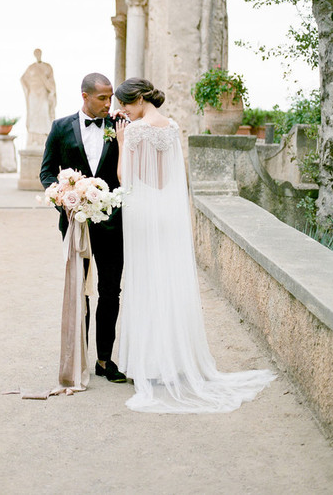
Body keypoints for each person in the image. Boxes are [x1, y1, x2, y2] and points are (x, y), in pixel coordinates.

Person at [114, 77, 276, 413]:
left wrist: (120, 142)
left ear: (140, 99)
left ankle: (148, 364)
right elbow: (165, 178)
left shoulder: (133, 130)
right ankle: (170, 361)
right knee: (167, 282)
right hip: (167, 215)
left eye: (126, 104)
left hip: (144, 215)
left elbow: (124, 176)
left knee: (145, 282)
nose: (123, 111)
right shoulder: (171, 126)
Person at [40, 73, 126, 383]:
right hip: (75, 226)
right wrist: (63, 198)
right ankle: (80, 359)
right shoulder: (60, 128)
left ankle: (105, 360)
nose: (108, 103)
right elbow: (47, 172)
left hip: (112, 225)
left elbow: (124, 172)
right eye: (102, 98)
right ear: (84, 97)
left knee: (110, 291)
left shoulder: (119, 127)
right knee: (80, 292)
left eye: (110, 97)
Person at [21, 49, 56, 149]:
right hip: (33, 94)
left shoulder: (47, 67)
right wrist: (28, 89)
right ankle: (34, 139)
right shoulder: (31, 67)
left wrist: (51, 91)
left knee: (44, 114)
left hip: (43, 94)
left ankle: (44, 138)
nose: (38, 55)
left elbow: (51, 81)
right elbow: (23, 79)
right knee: (34, 115)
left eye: (39, 53)